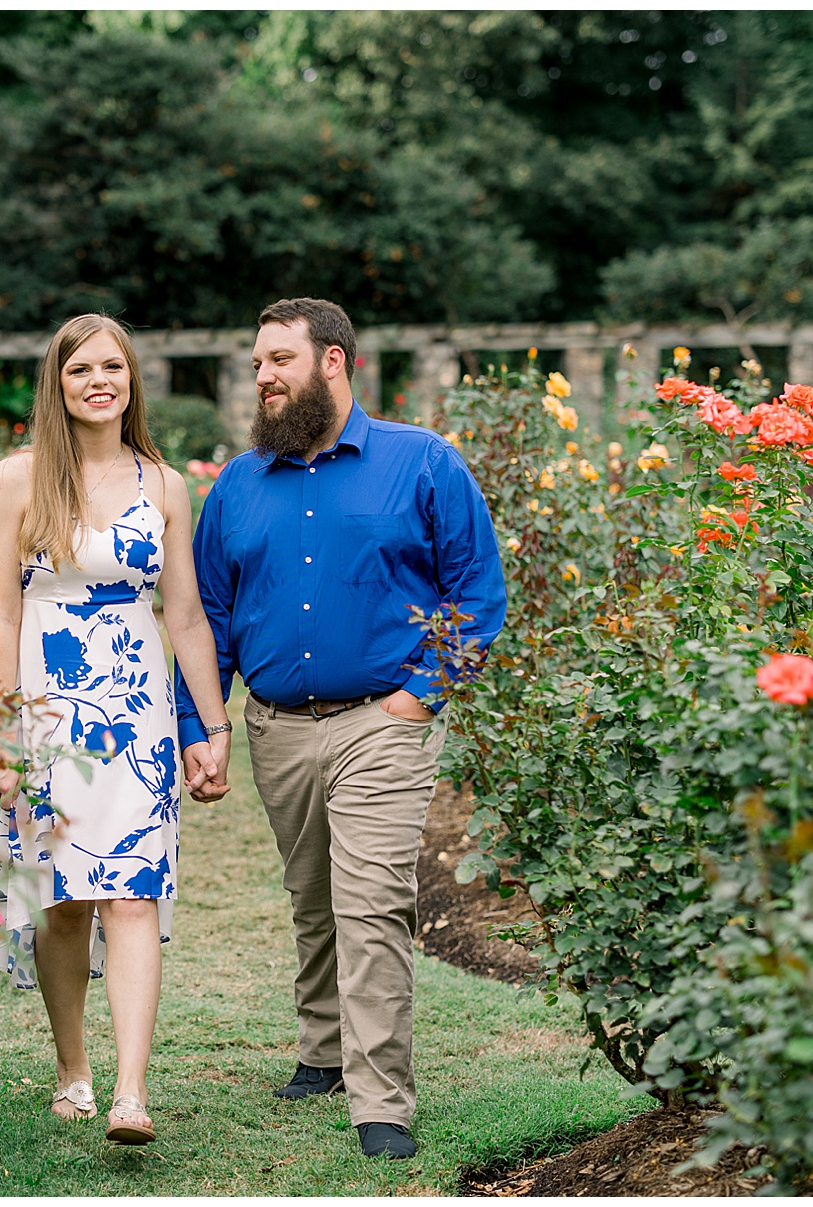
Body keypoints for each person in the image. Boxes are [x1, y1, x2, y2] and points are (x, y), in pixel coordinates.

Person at [176, 298, 506, 1160]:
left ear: (334, 362)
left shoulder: (423, 462)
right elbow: (209, 615)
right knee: (314, 897)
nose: (263, 377)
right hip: (277, 728)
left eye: (278, 359)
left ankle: (380, 1101)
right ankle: (322, 1051)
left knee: (369, 905)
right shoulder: (239, 484)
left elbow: (477, 593)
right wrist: (202, 726)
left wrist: (418, 696)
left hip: (382, 722)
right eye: (255, 364)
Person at [0, 313, 232, 1146]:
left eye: (114, 367)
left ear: (132, 381)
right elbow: (1, 615)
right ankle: (72, 1070)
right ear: (57, 382)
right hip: (48, 711)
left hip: (137, 712)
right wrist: (0, 732)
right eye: (82, 367)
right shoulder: (17, 479)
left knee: (133, 891)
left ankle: (130, 1092)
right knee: (62, 902)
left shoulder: (164, 484)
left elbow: (187, 614)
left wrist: (210, 724)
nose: (100, 380)